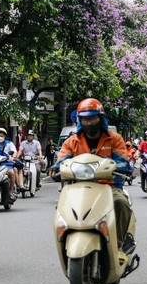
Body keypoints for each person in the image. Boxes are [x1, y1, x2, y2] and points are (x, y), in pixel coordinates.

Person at [54, 98, 135, 251]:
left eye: (92, 118)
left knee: (121, 203)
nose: (88, 122)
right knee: (61, 208)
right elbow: (62, 160)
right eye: (84, 119)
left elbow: (124, 161)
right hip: (77, 190)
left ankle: (120, 243)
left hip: (109, 187)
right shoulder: (72, 142)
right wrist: (55, 168)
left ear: (100, 118)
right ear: (79, 120)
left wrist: (118, 166)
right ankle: (64, 242)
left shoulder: (115, 139)